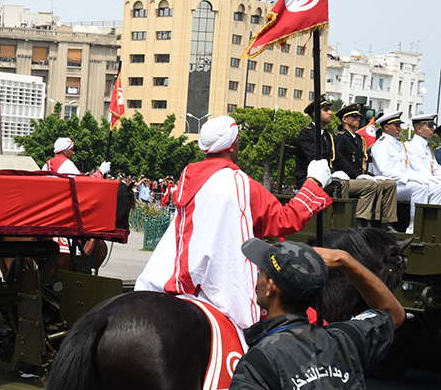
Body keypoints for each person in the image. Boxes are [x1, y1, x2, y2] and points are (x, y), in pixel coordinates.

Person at [135, 115, 333, 330]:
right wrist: (315, 180)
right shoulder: (241, 184)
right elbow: (284, 221)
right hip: (221, 284)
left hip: (175, 273)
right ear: (232, 146)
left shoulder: (187, 177)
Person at [215, 238, 403, 390]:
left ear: (270, 287)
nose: (256, 279)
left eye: (261, 273)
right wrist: (347, 261)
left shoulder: (260, 363)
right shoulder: (346, 342)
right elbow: (392, 313)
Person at [295, 98, 382, 229]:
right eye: (325, 110)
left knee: (369, 186)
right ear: (315, 114)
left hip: (327, 178)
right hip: (310, 180)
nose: (330, 113)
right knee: (341, 184)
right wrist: (333, 173)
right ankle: (340, 225)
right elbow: (315, 159)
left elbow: (338, 158)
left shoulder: (328, 136)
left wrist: (358, 175)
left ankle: (361, 221)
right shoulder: (306, 134)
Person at [326, 103, 398, 231]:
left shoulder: (359, 139)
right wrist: (357, 175)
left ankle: (386, 221)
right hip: (345, 178)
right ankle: (363, 219)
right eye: (354, 117)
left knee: (390, 184)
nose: (358, 119)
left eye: (359, 117)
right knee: (372, 185)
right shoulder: (340, 138)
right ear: (344, 119)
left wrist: (367, 175)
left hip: (358, 176)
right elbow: (339, 160)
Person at [370, 111, 441, 233]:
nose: (400, 128)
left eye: (399, 125)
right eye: (396, 125)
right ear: (386, 127)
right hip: (388, 185)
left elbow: (407, 168)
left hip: (400, 183)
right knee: (420, 187)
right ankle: (414, 226)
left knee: (434, 186)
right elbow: (385, 171)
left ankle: (430, 223)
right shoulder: (380, 144)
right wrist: (409, 178)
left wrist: (417, 177)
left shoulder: (399, 144)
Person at [41, 137, 110, 178]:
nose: (73, 153)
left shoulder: (46, 165)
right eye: (72, 150)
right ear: (64, 151)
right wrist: (101, 171)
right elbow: (85, 183)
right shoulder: (67, 164)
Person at [405, 113, 441, 182]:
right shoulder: (410, 146)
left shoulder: (427, 147)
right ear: (419, 129)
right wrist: (436, 180)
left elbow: (435, 168)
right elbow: (419, 168)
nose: (433, 129)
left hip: (429, 181)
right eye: (430, 126)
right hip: (419, 182)